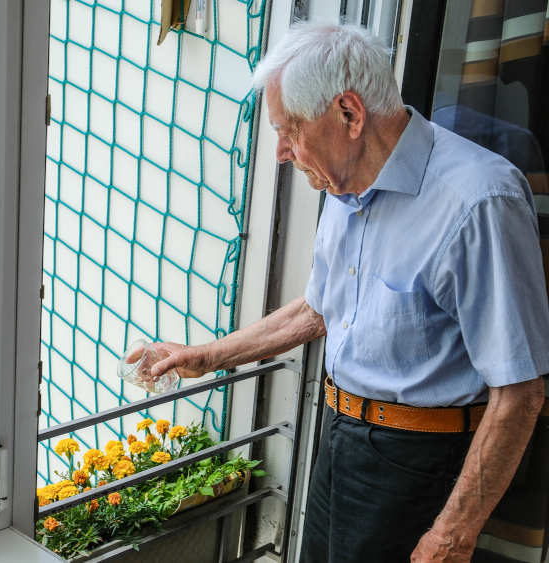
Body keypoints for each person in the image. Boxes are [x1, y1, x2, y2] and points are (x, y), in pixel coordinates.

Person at [147, 23, 549, 562]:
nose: (282, 152)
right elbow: (320, 307)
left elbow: (520, 394)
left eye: (289, 130)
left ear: (350, 114)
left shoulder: (478, 202)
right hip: (339, 436)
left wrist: (453, 534)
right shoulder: (344, 180)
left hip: (422, 461)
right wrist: (210, 355)